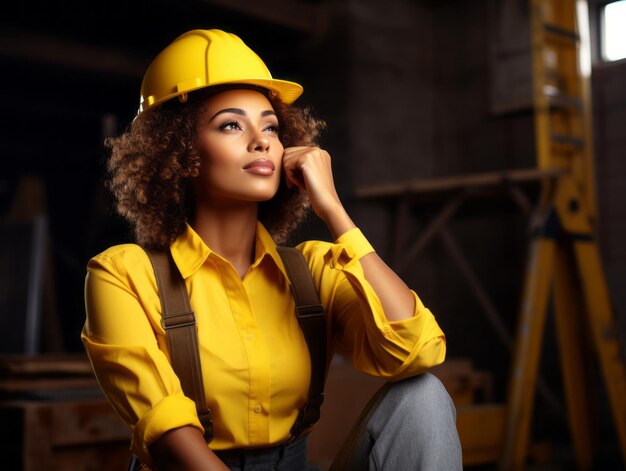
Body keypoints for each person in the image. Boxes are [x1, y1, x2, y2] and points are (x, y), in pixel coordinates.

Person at [82, 29, 462, 471]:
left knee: (422, 397)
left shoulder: (314, 271)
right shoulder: (121, 275)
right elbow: (165, 429)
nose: (262, 140)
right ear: (177, 149)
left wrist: (335, 212)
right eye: (230, 124)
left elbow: (418, 351)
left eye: (270, 126)